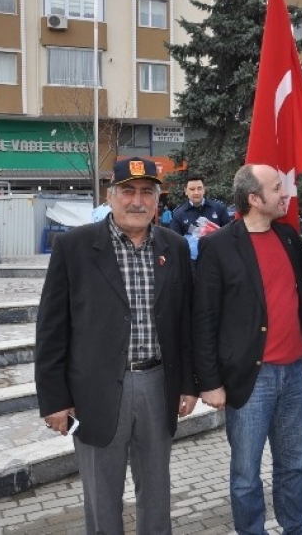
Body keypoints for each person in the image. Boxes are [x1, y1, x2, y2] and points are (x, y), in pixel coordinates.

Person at [34, 157, 197, 534]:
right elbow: (51, 329)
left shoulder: (173, 248)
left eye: (146, 193)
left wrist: (188, 383)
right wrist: (54, 399)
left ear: (158, 201)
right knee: (102, 498)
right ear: (110, 197)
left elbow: (183, 322)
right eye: (128, 191)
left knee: (157, 493)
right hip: (95, 393)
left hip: (158, 386)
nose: (137, 201)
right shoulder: (74, 248)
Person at [192, 164, 302, 535]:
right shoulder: (218, 246)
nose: (286, 193)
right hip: (250, 378)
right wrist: (209, 382)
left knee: (294, 465)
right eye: (277, 188)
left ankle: (296, 529)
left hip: (294, 373)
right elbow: (204, 318)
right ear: (254, 199)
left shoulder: (288, 236)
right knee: (246, 474)